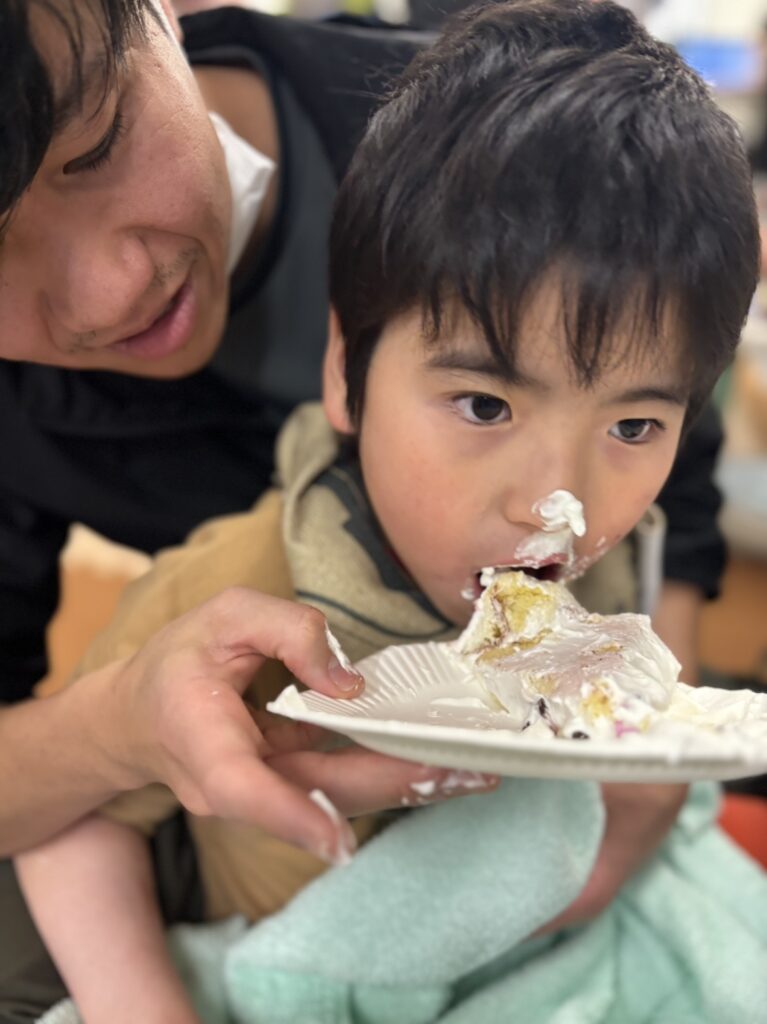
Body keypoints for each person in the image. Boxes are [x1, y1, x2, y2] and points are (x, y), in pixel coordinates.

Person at [15, 1, 759, 1018]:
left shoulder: (616, 560)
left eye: (633, 426)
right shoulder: (241, 593)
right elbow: (73, 820)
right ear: (343, 369)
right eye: (484, 405)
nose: (559, 503)